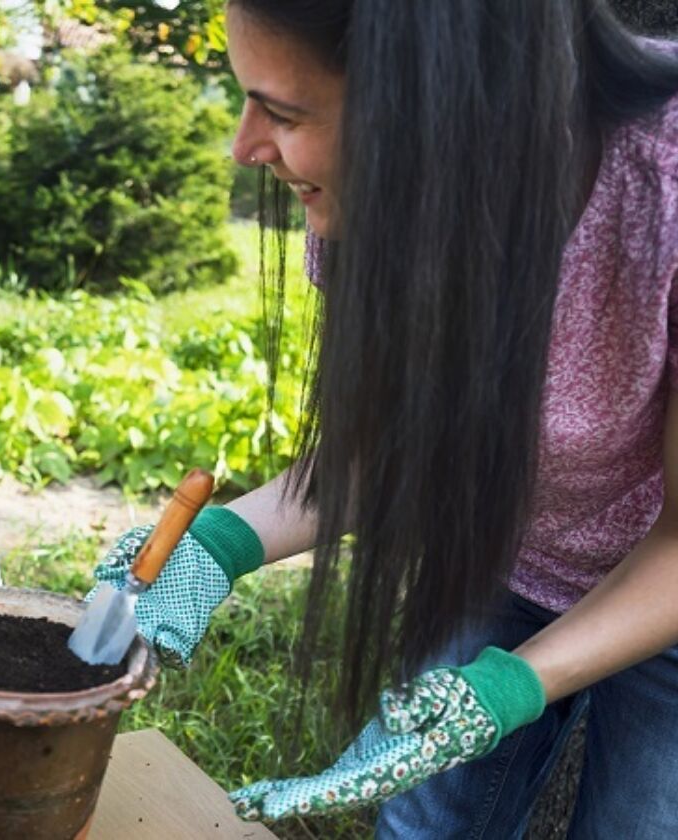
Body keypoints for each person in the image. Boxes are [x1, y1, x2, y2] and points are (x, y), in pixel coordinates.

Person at [90, 1, 678, 836]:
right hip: (504, 554)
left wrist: (507, 687)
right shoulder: (366, 198)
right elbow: (392, 451)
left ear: (433, 105)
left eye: (285, 112)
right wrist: (218, 546)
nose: (245, 148)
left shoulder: (664, 183)